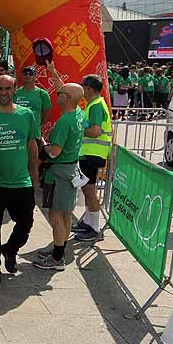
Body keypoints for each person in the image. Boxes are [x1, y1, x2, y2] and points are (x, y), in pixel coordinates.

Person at [0, 75, 40, 289]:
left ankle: (11, 249)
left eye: (8, 88)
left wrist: (35, 176)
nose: (4, 92)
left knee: (25, 224)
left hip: (21, 183)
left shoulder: (26, 115)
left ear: (15, 89)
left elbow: (32, 145)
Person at [36, 83, 85, 271]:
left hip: (59, 173)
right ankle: (60, 250)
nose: (56, 94)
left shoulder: (65, 121)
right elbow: (73, 92)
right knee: (65, 214)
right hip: (71, 170)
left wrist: (43, 145)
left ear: (67, 98)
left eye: (59, 93)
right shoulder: (79, 114)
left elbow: (55, 152)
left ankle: (57, 259)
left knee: (56, 215)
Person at [70, 73, 111, 244]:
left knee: (89, 191)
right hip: (90, 153)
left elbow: (95, 131)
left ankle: (95, 228)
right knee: (88, 190)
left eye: (83, 87)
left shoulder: (95, 106)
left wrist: (78, 129)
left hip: (93, 154)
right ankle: (88, 223)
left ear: (88, 88)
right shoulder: (94, 104)